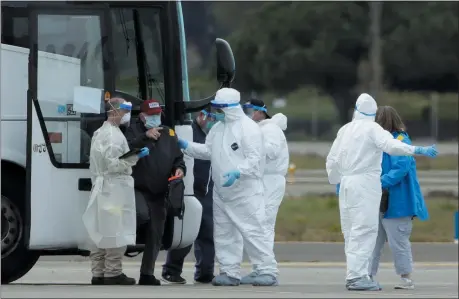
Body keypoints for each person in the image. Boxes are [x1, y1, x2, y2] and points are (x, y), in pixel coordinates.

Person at [326, 93, 438, 291]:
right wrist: (418, 150)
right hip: (366, 183)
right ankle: (358, 277)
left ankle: (354, 274)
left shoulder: (345, 130)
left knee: (351, 232)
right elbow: (391, 146)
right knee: (365, 230)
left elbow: (332, 159)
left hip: (347, 184)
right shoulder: (372, 129)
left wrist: (337, 181)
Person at [177, 88, 279, 286]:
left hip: (245, 190)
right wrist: (185, 145)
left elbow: (255, 158)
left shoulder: (248, 128)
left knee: (254, 230)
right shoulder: (218, 129)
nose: (215, 113)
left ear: (230, 108)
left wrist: (239, 172)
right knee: (224, 233)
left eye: (219, 109)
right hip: (222, 192)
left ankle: (266, 270)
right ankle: (229, 271)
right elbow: (208, 151)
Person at [82, 97, 150, 285]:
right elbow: (113, 164)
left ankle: (98, 273)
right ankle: (113, 273)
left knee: (99, 231)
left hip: (101, 188)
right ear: (115, 111)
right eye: (125, 110)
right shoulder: (113, 135)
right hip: (113, 189)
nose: (127, 114)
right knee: (115, 230)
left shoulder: (99, 132)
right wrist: (134, 157)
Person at [124, 99, 186, 286]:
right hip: (138, 187)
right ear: (142, 116)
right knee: (141, 215)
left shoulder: (169, 133)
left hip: (160, 191)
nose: (155, 118)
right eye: (151, 115)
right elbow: (125, 150)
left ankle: (147, 273)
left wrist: (180, 169)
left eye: (158, 114)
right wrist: (145, 136)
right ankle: (120, 253)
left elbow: (178, 158)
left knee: (156, 232)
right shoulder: (132, 130)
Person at [368, 106, 429, 290]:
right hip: (378, 200)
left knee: (399, 242)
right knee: (372, 242)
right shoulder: (379, 141)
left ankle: (406, 278)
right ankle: (367, 276)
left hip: (398, 202)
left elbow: (400, 169)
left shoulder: (401, 140)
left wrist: (378, 182)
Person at [161, 107, 217, 285]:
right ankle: (171, 270)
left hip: (207, 190)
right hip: (190, 190)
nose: (213, 122)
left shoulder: (213, 134)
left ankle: (205, 272)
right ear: (201, 116)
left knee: (208, 232)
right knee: (187, 232)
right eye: (211, 118)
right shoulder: (188, 132)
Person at [240, 99, 289, 284]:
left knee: (265, 225)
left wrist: (249, 146)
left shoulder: (270, 129)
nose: (247, 113)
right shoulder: (258, 129)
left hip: (271, 180)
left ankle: (268, 270)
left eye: (250, 110)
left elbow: (272, 151)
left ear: (261, 112)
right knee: (257, 225)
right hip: (261, 181)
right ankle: (258, 267)